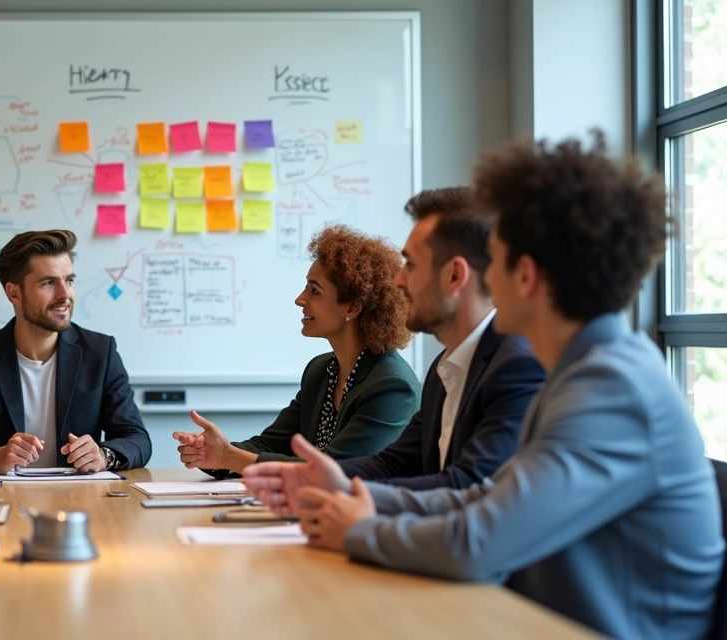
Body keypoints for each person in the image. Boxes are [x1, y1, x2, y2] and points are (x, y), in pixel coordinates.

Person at [243, 131, 725, 639]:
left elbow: (481, 539)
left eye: (492, 259)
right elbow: (487, 498)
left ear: (526, 276)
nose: (483, 279)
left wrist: (361, 529)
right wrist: (353, 493)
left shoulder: (613, 389)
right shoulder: (588, 372)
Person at [334, 188, 545, 489]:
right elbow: (394, 464)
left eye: (411, 264)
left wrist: (354, 495)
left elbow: (468, 485)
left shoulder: (517, 366)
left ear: (455, 276)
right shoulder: (443, 368)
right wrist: (316, 476)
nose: (397, 280)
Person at [173, 224, 421, 476]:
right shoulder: (321, 370)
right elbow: (270, 443)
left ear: (352, 308)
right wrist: (214, 454)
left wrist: (229, 457)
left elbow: (333, 471)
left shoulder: (392, 387)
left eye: (314, 291)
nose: (300, 299)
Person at [0, 229, 151, 473]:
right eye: (49, 283)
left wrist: (104, 456)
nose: (65, 295)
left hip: (79, 499)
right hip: (6, 500)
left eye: (69, 281)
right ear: (14, 293)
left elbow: (137, 439)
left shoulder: (100, 353)